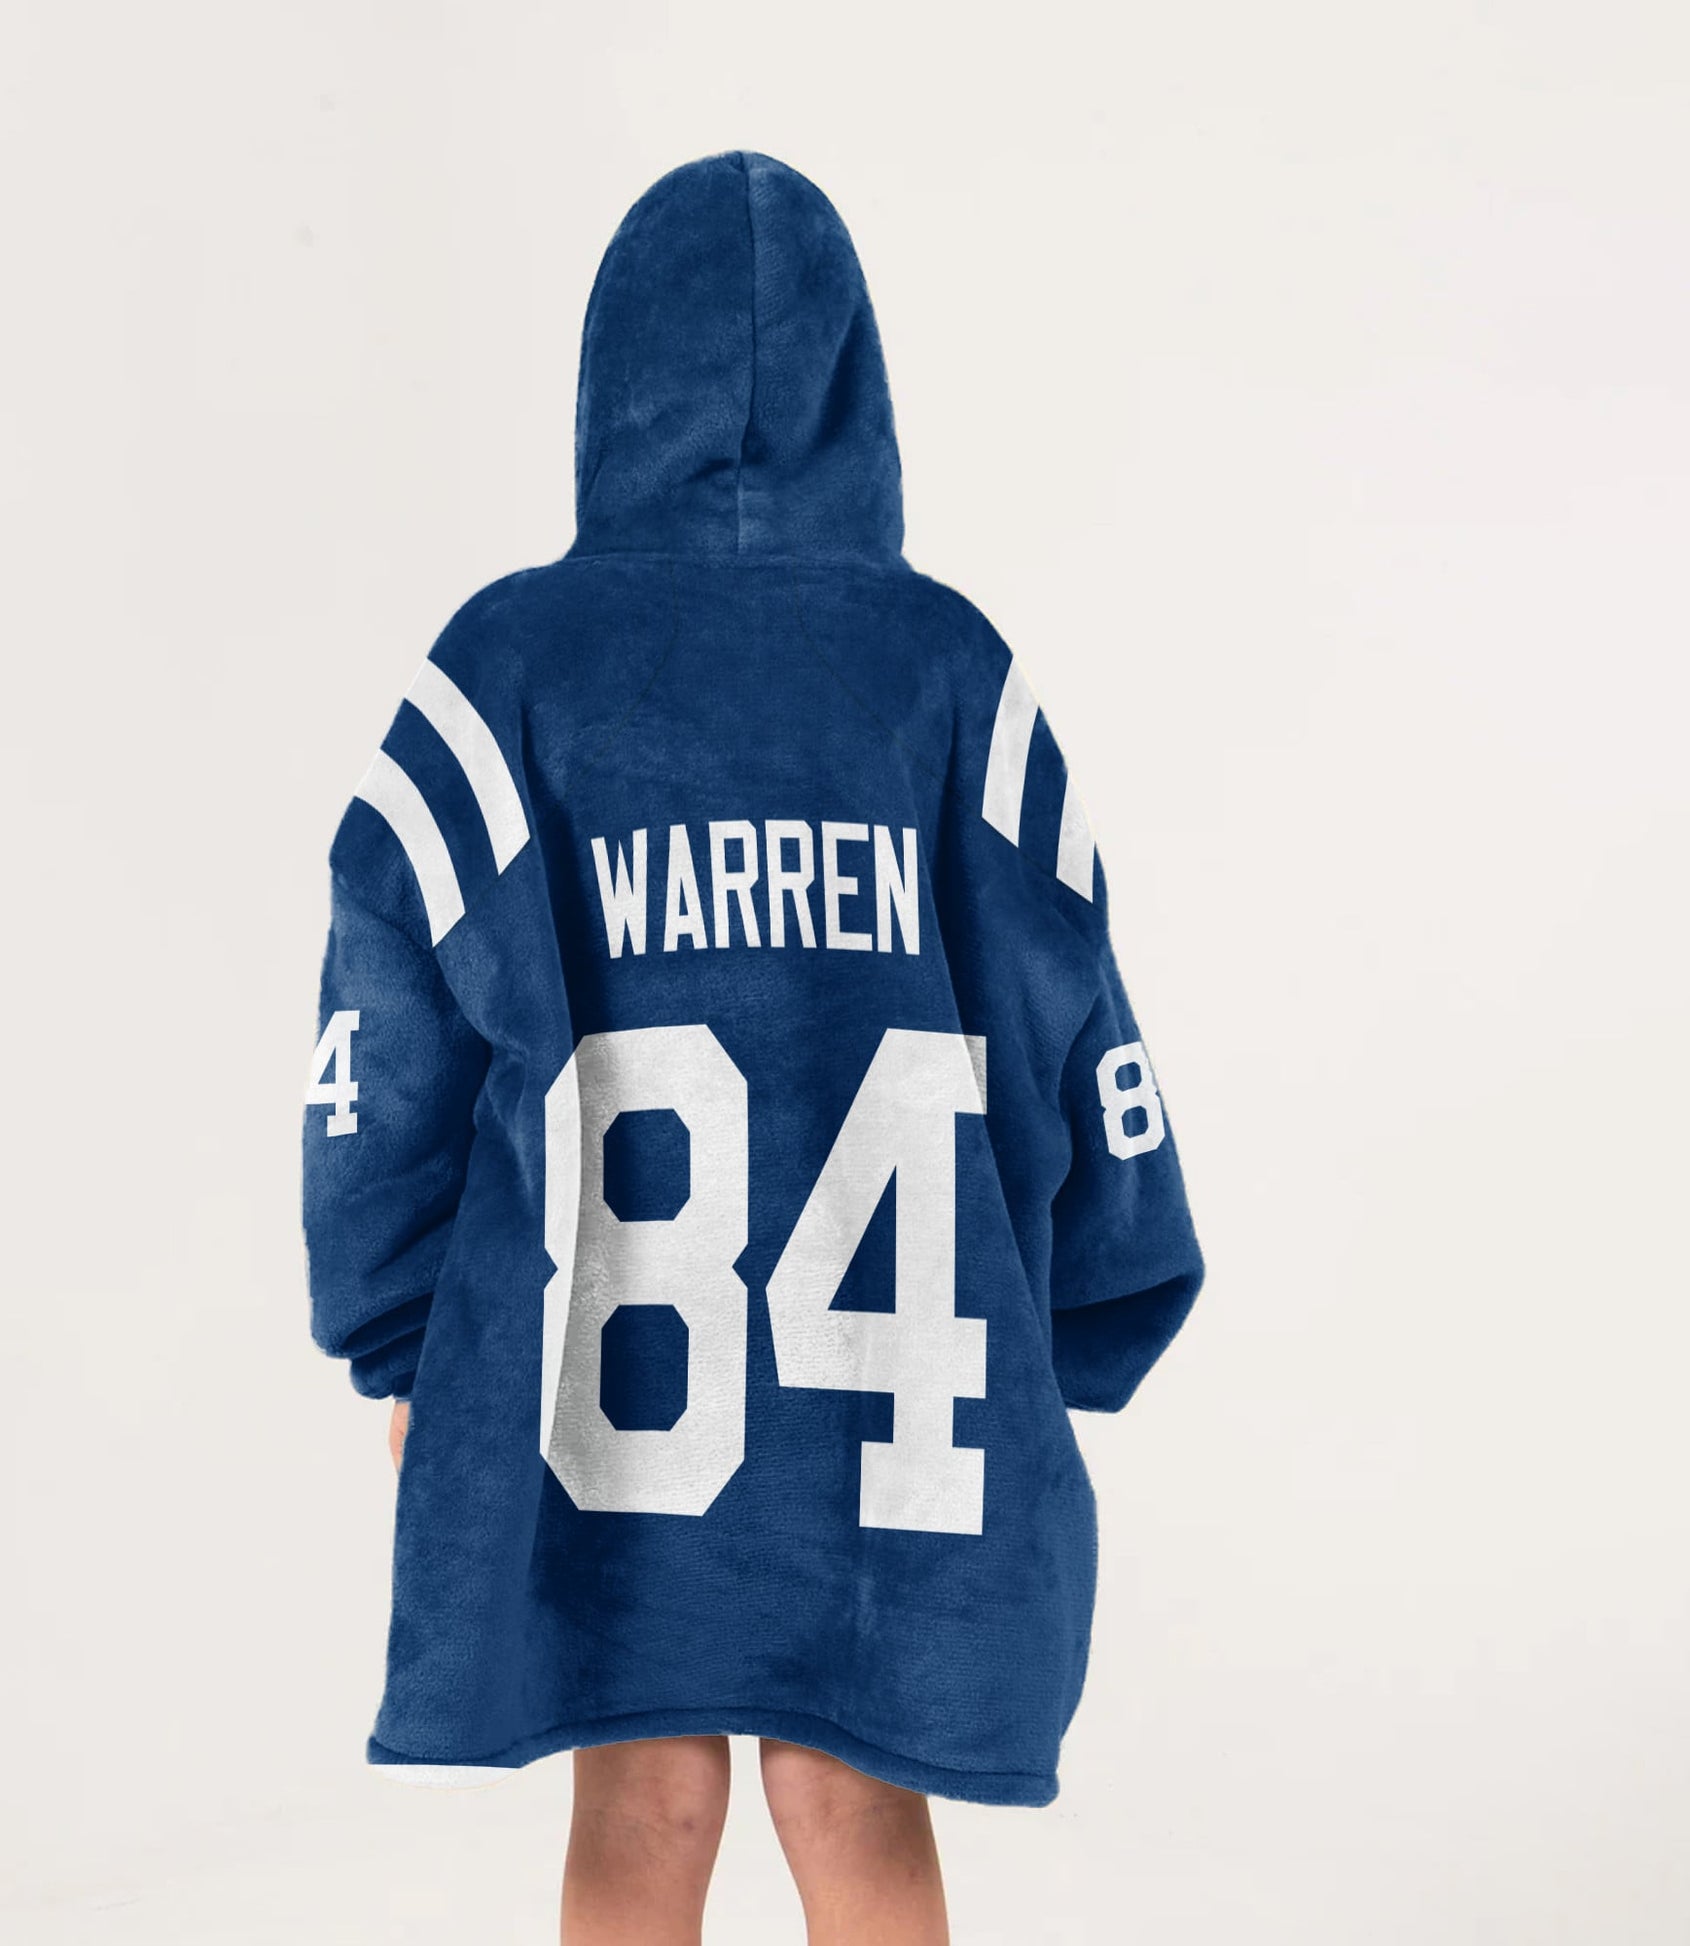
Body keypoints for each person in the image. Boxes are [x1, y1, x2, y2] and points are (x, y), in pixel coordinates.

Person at [302, 150, 1204, 1946]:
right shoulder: (947, 671)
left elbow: (383, 1026)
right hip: (900, 1410)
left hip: (604, 1389)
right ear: (858, 387)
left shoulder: (507, 666)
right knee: (851, 1793)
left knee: (639, 1796)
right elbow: (1073, 1000)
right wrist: (1092, 1295)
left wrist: (399, 1328)